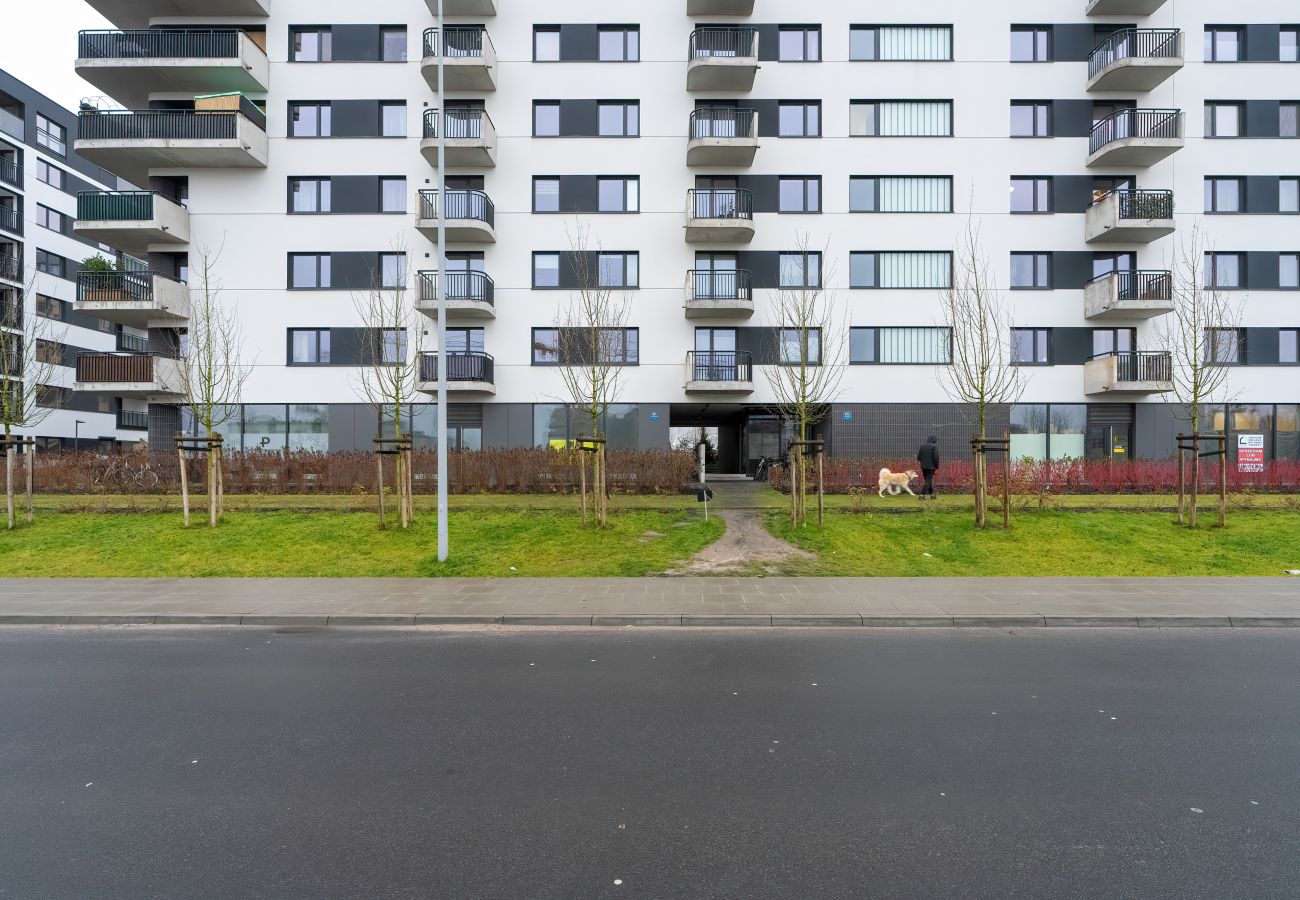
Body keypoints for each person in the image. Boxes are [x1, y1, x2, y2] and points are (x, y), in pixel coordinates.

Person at [916, 435, 940, 501]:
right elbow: (936, 458)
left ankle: (932, 495)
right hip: (931, 467)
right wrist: (936, 467)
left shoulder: (922, 446)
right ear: (934, 440)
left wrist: (923, 462)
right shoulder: (934, 447)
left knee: (928, 481)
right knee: (928, 481)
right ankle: (922, 495)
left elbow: (918, 457)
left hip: (923, 467)